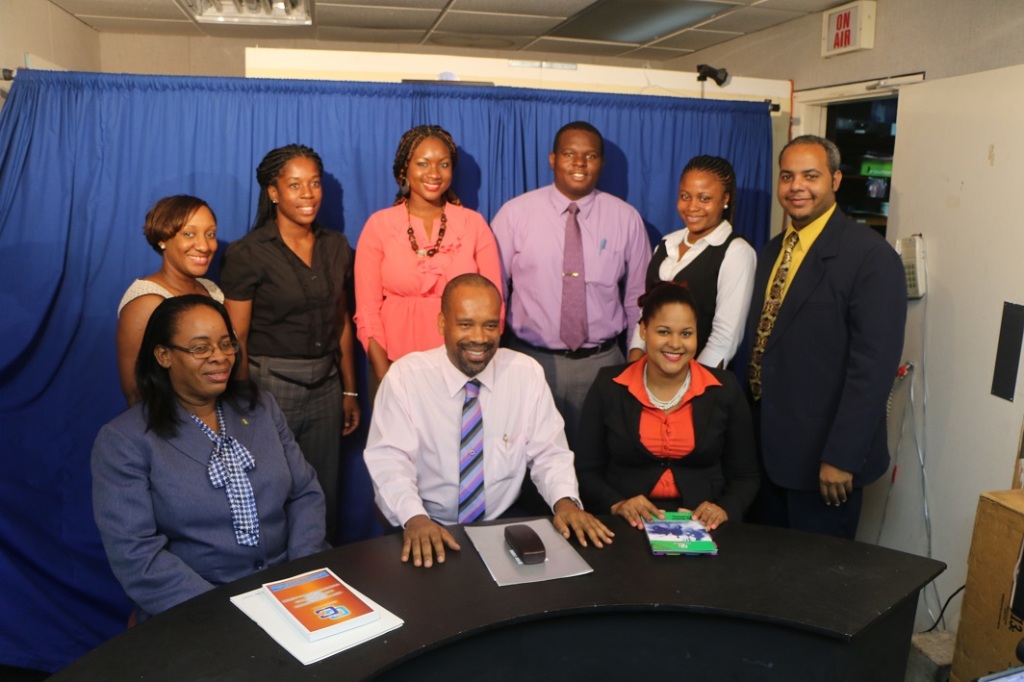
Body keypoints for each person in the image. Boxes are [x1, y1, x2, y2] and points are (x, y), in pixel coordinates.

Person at [92, 295, 327, 622]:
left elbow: (305, 494)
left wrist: (300, 577)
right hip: (201, 608)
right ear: (163, 355)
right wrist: (223, 613)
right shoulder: (124, 440)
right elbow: (136, 554)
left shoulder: (262, 408)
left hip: (290, 588)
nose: (219, 357)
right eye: (201, 348)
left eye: (226, 344)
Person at [363, 273, 614, 568]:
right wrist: (415, 519)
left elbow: (549, 452)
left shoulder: (525, 373)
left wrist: (565, 502)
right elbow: (390, 462)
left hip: (502, 523)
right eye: (465, 324)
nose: (480, 338)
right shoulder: (405, 378)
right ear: (442, 323)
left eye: (490, 325)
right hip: (423, 522)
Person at [744, 135, 907, 539]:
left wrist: (842, 456)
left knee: (814, 576)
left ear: (835, 180)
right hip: (764, 453)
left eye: (810, 176)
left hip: (823, 461)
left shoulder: (871, 257)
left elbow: (873, 368)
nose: (796, 186)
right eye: (787, 176)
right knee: (760, 570)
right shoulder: (773, 251)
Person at [220, 144, 359, 544]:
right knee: (270, 490)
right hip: (270, 386)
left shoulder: (336, 246)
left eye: (314, 183)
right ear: (274, 192)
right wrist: (244, 401)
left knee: (322, 494)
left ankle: (319, 568)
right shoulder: (249, 253)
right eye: (295, 185)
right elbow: (236, 337)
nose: (308, 194)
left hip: (326, 386)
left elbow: (341, 321)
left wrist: (349, 390)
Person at [491, 121, 650, 450]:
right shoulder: (514, 214)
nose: (580, 163)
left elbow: (639, 298)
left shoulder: (626, 219)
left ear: (601, 163)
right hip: (530, 362)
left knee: (597, 459)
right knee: (525, 459)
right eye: (569, 154)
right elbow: (494, 293)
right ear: (552, 159)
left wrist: (636, 362)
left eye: (590, 156)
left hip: (602, 365)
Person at [577, 282, 758, 531]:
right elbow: (586, 471)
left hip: (705, 528)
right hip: (625, 526)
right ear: (643, 330)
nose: (675, 344)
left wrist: (723, 509)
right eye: (664, 332)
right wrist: (617, 504)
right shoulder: (608, 385)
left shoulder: (724, 388)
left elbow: (746, 477)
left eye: (686, 334)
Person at [354, 125, 503, 385]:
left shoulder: (474, 225)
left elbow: (494, 305)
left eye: (443, 164)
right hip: (392, 366)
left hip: (462, 367)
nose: (434, 173)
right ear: (404, 169)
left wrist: (474, 366)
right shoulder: (379, 225)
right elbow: (367, 310)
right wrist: (384, 374)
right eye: (423, 163)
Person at [626, 155, 755, 369]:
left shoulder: (736, 252)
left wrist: (686, 384)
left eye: (704, 198)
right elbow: (646, 314)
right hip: (651, 377)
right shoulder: (666, 244)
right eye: (685, 196)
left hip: (696, 379)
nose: (692, 207)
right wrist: (634, 366)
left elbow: (724, 338)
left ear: (725, 199)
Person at [116, 195, 224, 406]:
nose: (204, 245)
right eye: (189, 234)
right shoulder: (146, 302)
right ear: (162, 239)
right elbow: (136, 392)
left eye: (210, 234)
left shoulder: (212, 290)